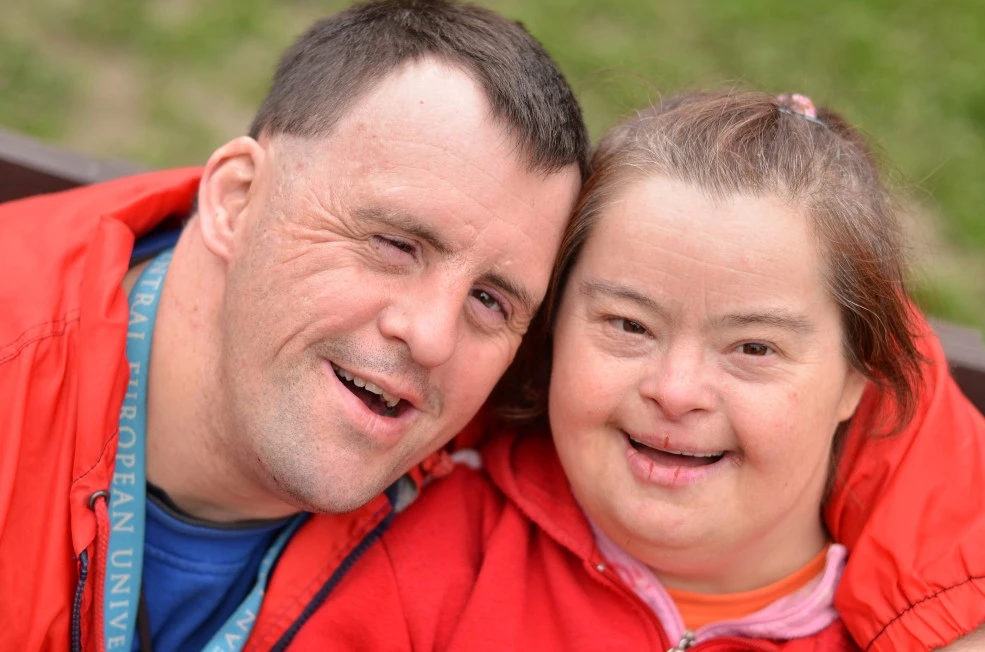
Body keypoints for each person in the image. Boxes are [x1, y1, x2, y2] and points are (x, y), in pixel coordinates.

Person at [292, 92, 985, 651]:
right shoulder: (423, 554)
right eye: (627, 326)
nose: (676, 391)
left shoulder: (906, 633)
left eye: (752, 348)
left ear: (853, 383)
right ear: (552, 328)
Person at [0, 1, 587, 649]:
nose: (432, 337)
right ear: (236, 200)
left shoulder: (524, 489)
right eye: (395, 245)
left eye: (490, 301)